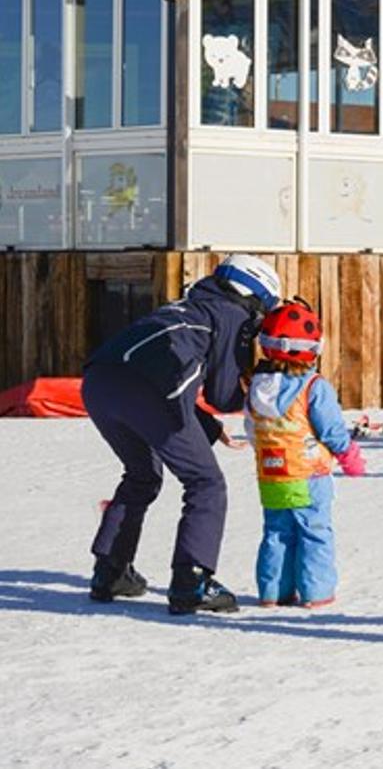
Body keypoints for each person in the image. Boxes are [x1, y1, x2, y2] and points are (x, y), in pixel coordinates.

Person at [83, 254, 281, 614]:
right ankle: (191, 582)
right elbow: (222, 394)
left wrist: (208, 427)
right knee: (206, 482)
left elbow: (173, 371)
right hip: (147, 391)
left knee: (142, 475)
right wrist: (258, 383)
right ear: (254, 299)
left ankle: (110, 571)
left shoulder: (189, 304)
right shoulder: (232, 315)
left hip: (99, 381)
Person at [245, 300, 365, 608]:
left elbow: (251, 428)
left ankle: (273, 592)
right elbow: (331, 429)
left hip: (271, 474)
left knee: (276, 532)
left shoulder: (257, 386)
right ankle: (317, 592)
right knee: (315, 533)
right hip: (309, 474)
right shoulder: (313, 386)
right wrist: (349, 456)